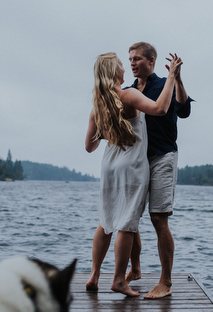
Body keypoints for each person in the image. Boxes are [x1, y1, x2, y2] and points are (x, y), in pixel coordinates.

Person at [84, 52, 182, 297]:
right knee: (127, 223)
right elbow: (159, 108)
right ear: (113, 72)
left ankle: (94, 274)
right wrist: (171, 76)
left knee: (106, 221)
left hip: (109, 164)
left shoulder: (99, 106)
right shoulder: (128, 94)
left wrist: (111, 132)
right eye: (120, 65)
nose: (125, 69)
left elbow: (90, 145)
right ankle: (118, 279)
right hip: (132, 165)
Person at [126, 42, 193, 299]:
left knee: (158, 218)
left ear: (151, 61)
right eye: (130, 59)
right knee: (129, 216)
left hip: (163, 156)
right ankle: (136, 269)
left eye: (137, 59)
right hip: (137, 159)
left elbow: (184, 110)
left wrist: (177, 79)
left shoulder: (165, 83)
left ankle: (166, 281)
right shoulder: (130, 90)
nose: (132, 63)